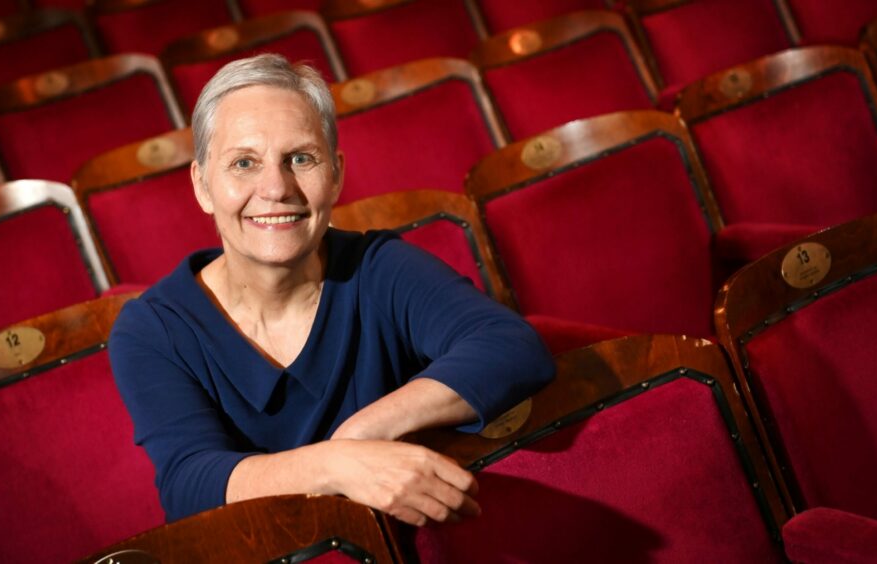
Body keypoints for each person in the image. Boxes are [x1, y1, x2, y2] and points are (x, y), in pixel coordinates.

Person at [109, 53, 554, 526]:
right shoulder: (153, 330)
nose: (276, 188)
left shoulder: (378, 268)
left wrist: (365, 429)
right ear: (202, 185)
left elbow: (510, 345)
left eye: (300, 158)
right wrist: (336, 465)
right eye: (244, 163)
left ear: (336, 173)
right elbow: (190, 487)